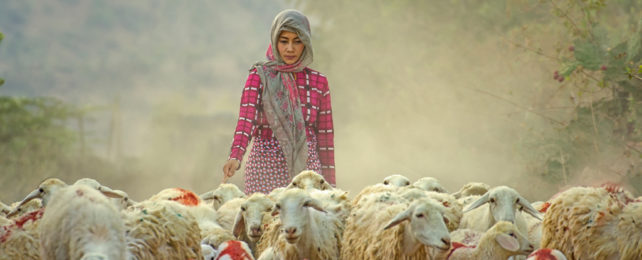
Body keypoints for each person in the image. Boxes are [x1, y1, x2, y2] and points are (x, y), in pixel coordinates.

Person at [222, 9, 335, 194]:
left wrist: (330, 187)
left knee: (308, 221)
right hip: (265, 171)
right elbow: (246, 120)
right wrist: (235, 156)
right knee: (263, 220)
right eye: (284, 41)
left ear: (306, 42)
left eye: (297, 41)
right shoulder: (259, 76)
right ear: (275, 40)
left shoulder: (318, 82)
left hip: (307, 174)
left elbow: (325, 138)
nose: (290, 48)